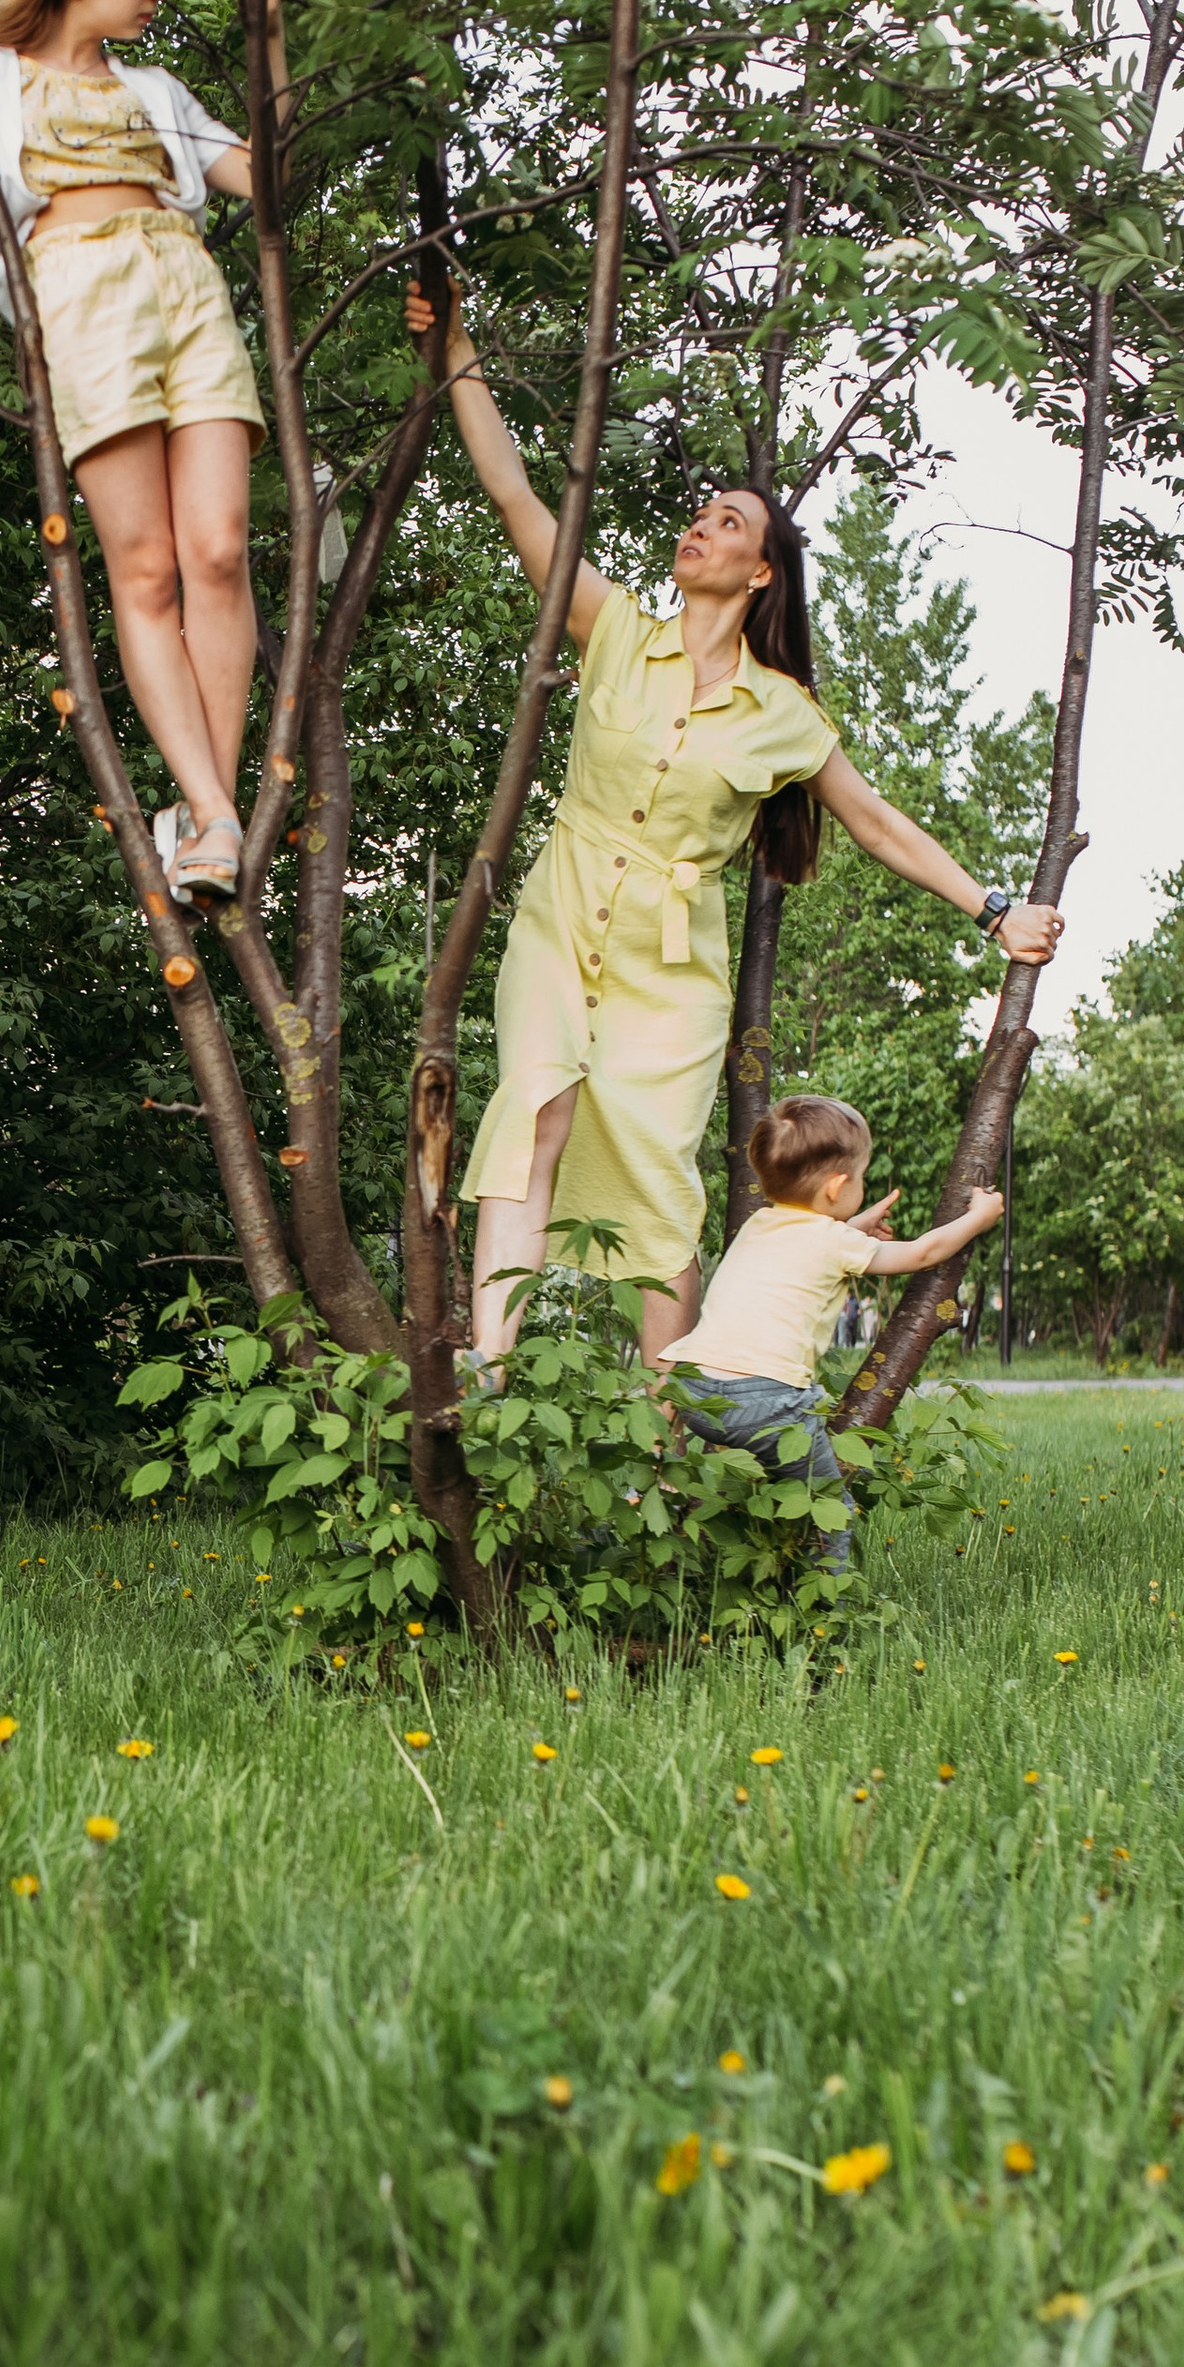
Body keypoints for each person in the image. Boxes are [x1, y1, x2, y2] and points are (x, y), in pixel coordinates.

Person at [404, 278, 1063, 1369]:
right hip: (562, 915)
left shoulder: (782, 712)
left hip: (674, 968)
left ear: (758, 571)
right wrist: (457, 348)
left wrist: (992, 909)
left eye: (725, 521)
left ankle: (673, 1424)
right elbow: (515, 493)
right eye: (698, 512)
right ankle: (491, 1372)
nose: (697, 527)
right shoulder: (611, 628)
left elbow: (875, 823)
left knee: (661, 1183)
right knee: (533, 1110)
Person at [0, 0, 277, 906]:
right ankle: (211, 809)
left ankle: (211, 816)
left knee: (220, 550)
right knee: (146, 568)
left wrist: (267, 41)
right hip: (82, 295)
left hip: (184, 283)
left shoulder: (154, 91)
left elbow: (267, 181)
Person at [662, 1092, 1002, 1570]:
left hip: (695, 1390)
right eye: (860, 1178)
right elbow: (923, 1254)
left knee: (767, 1487)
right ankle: (824, 1618)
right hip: (764, 1401)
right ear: (837, 1186)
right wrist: (978, 1218)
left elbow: (808, 1243)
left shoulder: (761, 1222)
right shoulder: (834, 1242)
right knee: (828, 1508)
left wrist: (856, 1226)